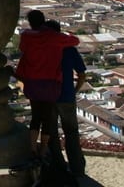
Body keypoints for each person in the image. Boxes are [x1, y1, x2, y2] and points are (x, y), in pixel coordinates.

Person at [14, 10, 79, 157]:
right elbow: (75, 41)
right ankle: (43, 149)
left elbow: (22, 49)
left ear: (30, 22)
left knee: (36, 116)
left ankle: (32, 147)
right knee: (48, 118)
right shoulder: (54, 37)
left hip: (33, 82)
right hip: (51, 83)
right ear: (43, 20)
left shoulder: (26, 36)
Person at [49, 28, 88, 177]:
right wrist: (75, 90)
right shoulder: (69, 49)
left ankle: (57, 165)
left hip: (47, 97)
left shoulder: (42, 49)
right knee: (71, 133)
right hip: (66, 96)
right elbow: (82, 74)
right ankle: (77, 167)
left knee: (51, 132)